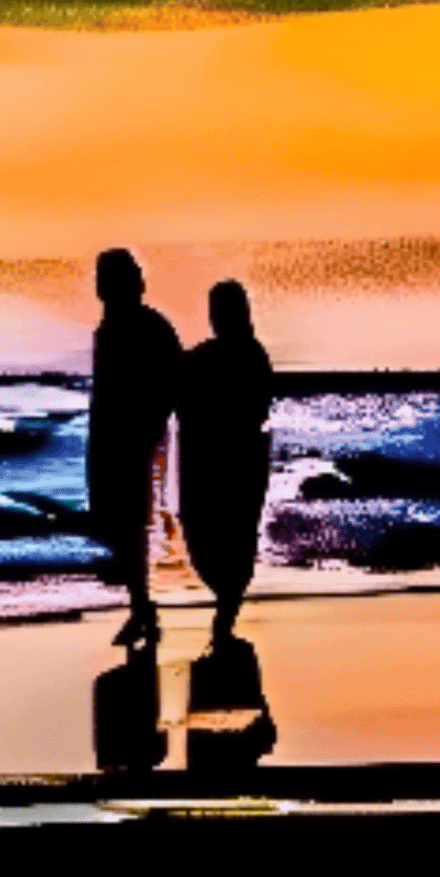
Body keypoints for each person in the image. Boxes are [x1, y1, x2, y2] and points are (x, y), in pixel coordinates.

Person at [88, 247, 184, 647]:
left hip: (132, 437)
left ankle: (142, 608)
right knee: (119, 522)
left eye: (107, 280)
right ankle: (141, 606)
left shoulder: (147, 326)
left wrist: (152, 422)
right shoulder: (110, 329)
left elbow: (175, 379)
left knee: (128, 523)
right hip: (113, 436)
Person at [177, 277, 276, 640]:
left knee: (227, 536)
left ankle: (225, 620)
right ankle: (225, 617)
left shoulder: (244, 354)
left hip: (227, 460)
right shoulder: (233, 354)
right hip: (234, 459)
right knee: (224, 536)